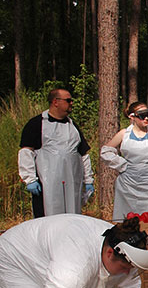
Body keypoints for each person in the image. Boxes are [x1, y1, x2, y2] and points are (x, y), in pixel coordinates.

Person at [0, 214, 148, 288]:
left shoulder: (125, 256)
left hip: (57, 261)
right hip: (18, 258)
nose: (127, 272)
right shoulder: (76, 261)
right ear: (109, 253)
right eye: (125, 268)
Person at [18, 88, 94, 217]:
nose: (71, 103)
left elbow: (83, 155)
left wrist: (88, 181)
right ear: (55, 102)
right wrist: (30, 179)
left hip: (72, 184)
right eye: (68, 100)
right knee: (48, 220)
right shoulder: (36, 124)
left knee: (72, 217)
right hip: (47, 185)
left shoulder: (73, 126)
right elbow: (26, 152)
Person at [101, 102, 148, 220]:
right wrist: (122, 165)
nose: (146, 118)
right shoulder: (124, 134)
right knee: (127, 219)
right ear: (132, 117)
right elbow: (106, 151)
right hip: (127, 183)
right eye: (142, 115)